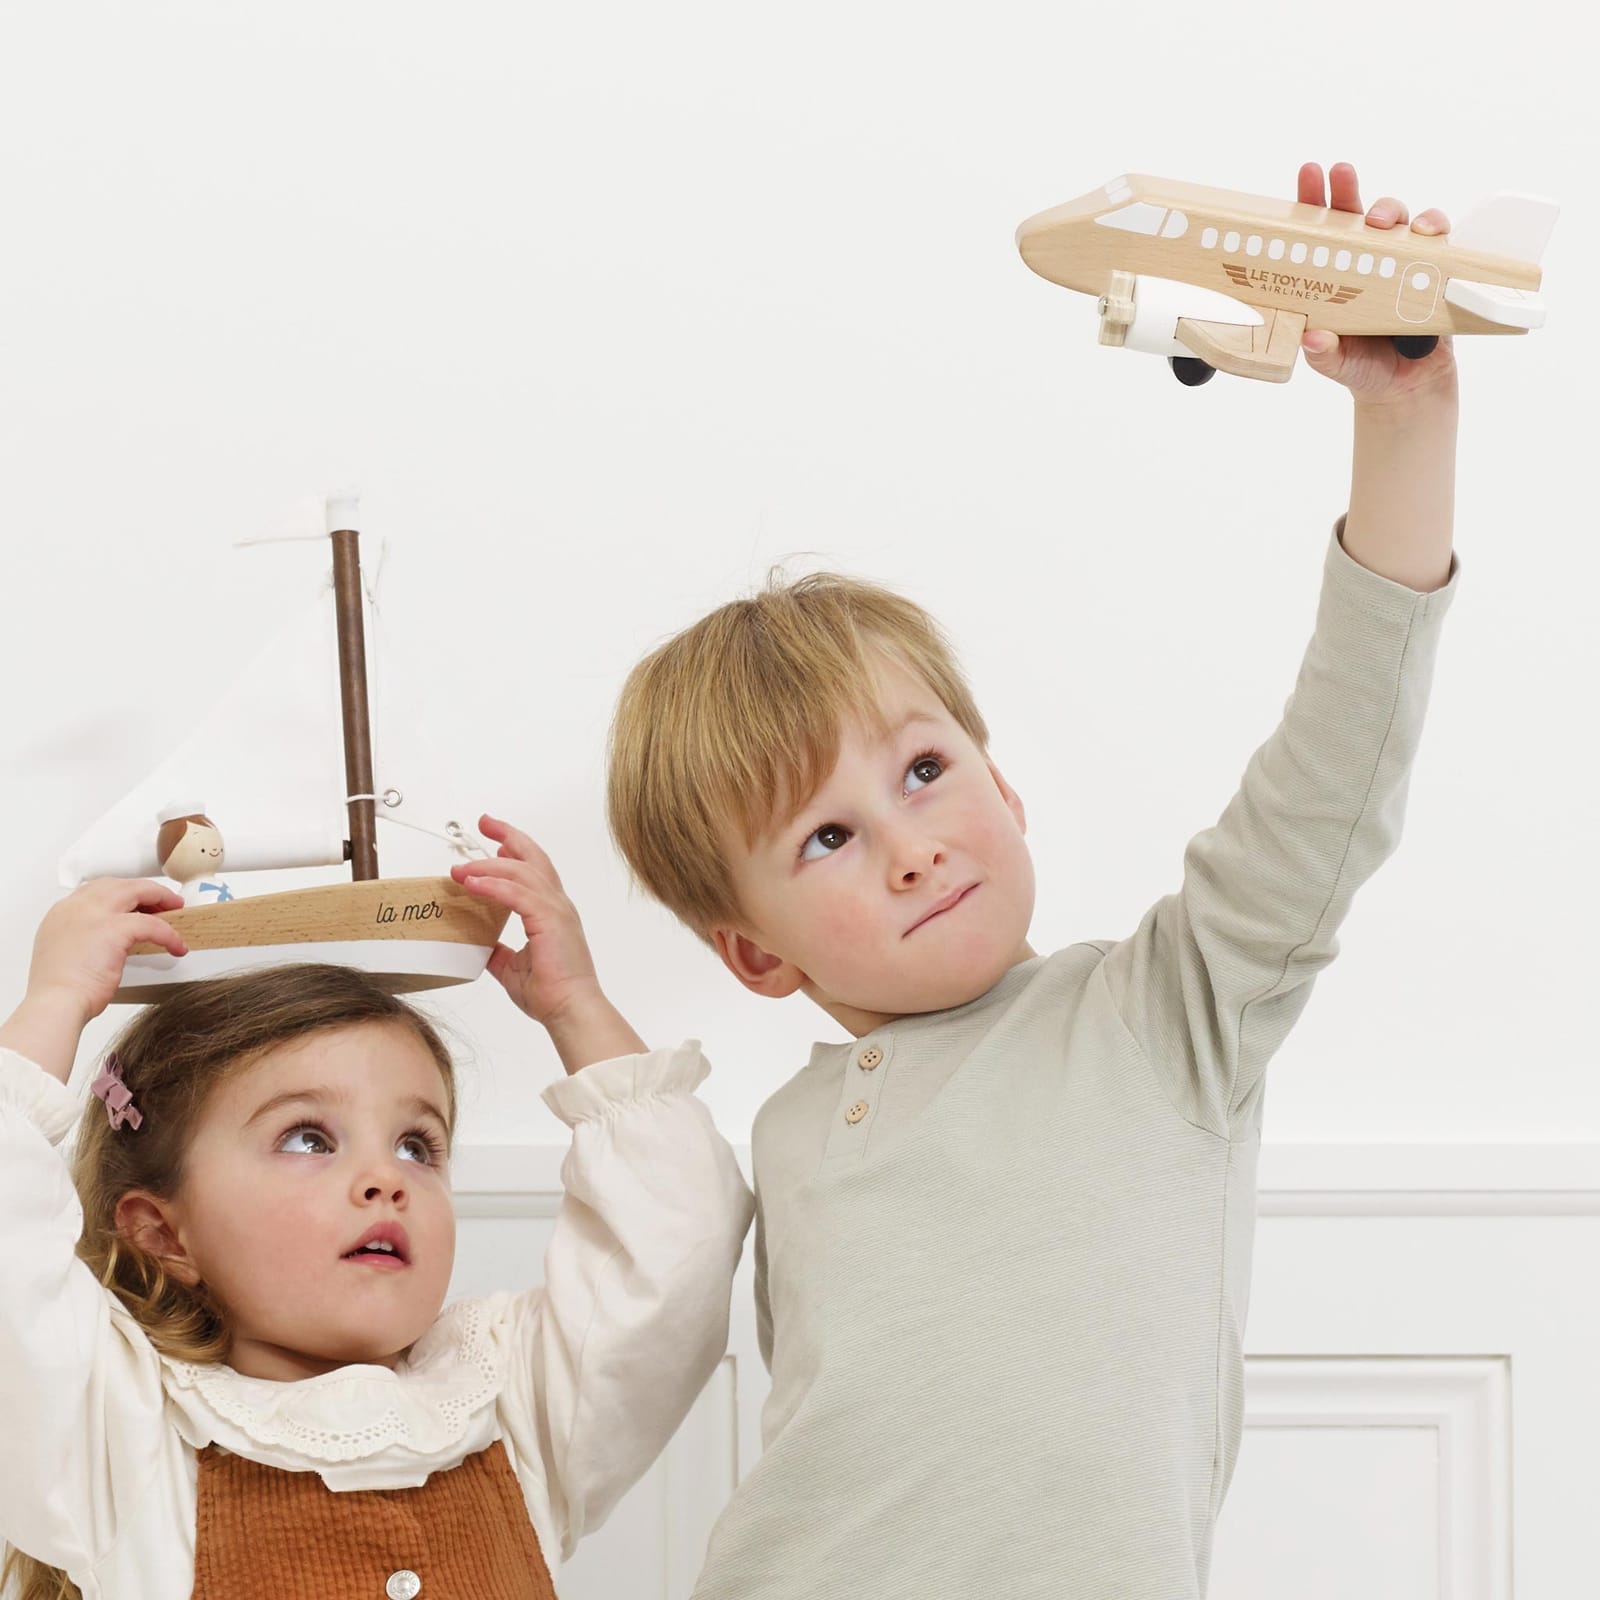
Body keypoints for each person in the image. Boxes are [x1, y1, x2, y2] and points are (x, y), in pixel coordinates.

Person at [594, 161, 1463, 1599]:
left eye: (924, 773)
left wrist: (1405, 415)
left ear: (1006, 785)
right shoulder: (797, 1133)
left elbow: (1337, 768)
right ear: (754, 957)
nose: (911, 842)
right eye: (828, 838)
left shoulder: (1166, 1013)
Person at [0, 814, 755, 1600]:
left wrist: (576, 1006)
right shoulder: (118, 1433)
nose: (384, 1179)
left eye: (416, 1146)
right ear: (163, 1232)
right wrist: (54, 1003)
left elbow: (681, 1240)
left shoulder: (514, 1402)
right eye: (307, 1139)